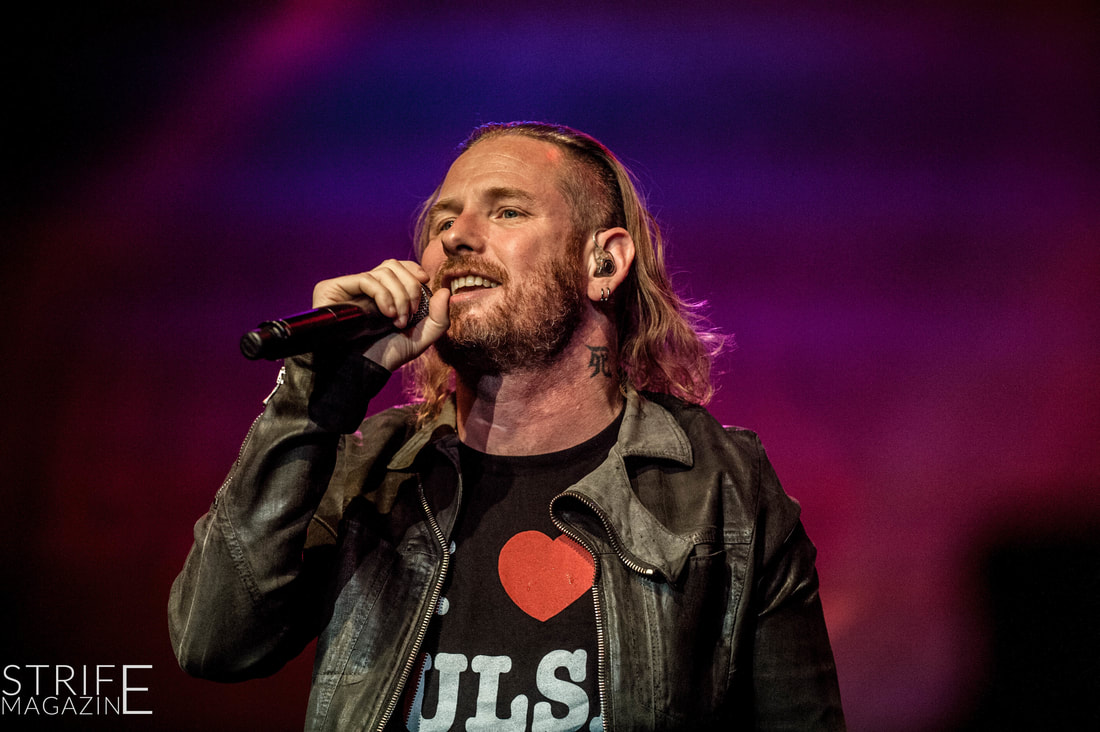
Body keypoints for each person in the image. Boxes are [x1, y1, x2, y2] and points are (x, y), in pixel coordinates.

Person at [168, 121, 845, 731]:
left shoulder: (721, 488)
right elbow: (215, 642)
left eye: (507, 211)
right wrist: (315, 395)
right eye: (443, 221)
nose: (455, 237)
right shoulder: (366, 470)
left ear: (604, 263)